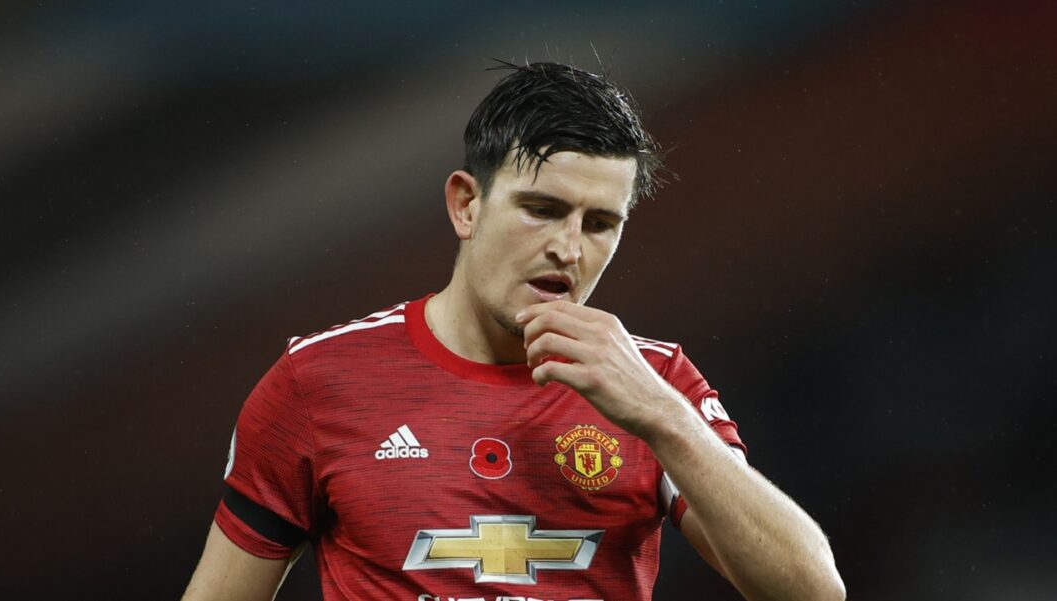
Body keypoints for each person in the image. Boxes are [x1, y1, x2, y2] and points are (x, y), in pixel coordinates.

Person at [182, 62, 845, 601]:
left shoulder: (657, 382)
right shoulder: (318, 381)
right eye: (542, 209)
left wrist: (663, 418)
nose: (569, 248)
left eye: (599, 223)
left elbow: (812, 591)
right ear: (466, 205)